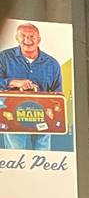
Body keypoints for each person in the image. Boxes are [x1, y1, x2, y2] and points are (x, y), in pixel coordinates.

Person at [0, 22, 64, 151]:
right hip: (12, 116)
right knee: (16, 157)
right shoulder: (4, 58)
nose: (27, 40)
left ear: (39, 39)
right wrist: (13, 82)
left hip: (43, 118)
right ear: (16, 38)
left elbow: (58, 94)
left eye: (32, 36)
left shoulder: (52, 64)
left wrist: (53, 109)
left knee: (43, 156)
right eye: (23, 36)